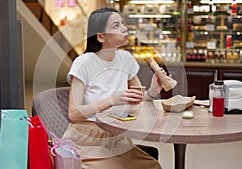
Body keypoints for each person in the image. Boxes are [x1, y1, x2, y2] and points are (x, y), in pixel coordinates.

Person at [63, 7, 168, 169]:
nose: (124, 28)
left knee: (154, 166)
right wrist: (112, 100)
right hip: (86, 139)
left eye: (122, 24)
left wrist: (153, 91)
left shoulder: (126, 59)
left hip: (117, 137)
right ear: (100, 36)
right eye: (116, 26)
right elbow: (74, 114)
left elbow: (138, 98)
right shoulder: (83, 63)